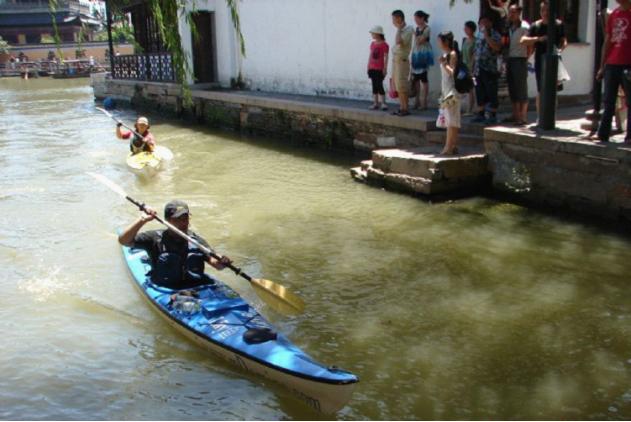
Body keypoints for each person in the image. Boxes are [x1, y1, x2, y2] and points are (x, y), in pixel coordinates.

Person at [118, 200, 232, 289]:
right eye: (178, 219)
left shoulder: (196, 241)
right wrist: (143, 220)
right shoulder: (154, 238)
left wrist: (223, 260)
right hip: (166, 289)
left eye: (185, 218)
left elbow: (216, 264)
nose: (183, 223)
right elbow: (124, 241)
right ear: (167, 220)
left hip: (196, 288)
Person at [521, 0, 568, 122]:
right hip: (540, 61)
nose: (545, 13)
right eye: (543, 10)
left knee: (554, 90)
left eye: (548, 10)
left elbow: (564, 40)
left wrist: (560, 50)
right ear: (540, 11)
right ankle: (540, 116)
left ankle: (551, 116)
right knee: (541, 90)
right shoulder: (536, 26)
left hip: (555, 61)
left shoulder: (558, 25)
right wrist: (538, 39)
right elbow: (523, 40)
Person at [594, 0, 631, 143]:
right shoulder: (615, 14)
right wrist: (602, 66)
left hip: (628, 64)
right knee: (609, 101)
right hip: (612, 63)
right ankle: (603, 134)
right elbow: (608, 40)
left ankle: (629, 137)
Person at [504, 5, 531, 126]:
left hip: (520, 59)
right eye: (510, 12)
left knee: (521, 89)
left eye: (514, 12)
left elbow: (530, 45)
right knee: (512, 88)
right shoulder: (508, 27)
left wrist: (526, 57)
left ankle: (523, 116)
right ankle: (515, 115)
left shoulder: (524, 27)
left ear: (519, 13)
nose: (511, 15)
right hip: (510, 59)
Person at [472, 15, 502, 124]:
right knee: (479, 91)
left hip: (490, 68)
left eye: (485, 22)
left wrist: (487, 36)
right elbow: (476, 50)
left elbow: (497, 48)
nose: (483, 25)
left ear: (490, 23)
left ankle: (492, 115)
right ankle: (480, 114)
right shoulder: (479, 35)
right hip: (478, 68)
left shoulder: (495, 34)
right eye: (481, 23)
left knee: (491, 91)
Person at [437, 31, 460, 155]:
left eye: (439, 40)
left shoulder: (452, 54)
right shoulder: (445, 54)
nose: (438, 43)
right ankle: (453, 145)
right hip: (446, 89)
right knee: (450, 119)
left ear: (445, 41)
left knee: (451, 119)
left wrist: (444, 63)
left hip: (452, 90)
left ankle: (448, 146)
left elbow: (452, 72)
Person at [391, 9, 415, 116]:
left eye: (394, 19)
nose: (393, 21)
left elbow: (399, 42)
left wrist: (399, 29)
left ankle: (405, 108)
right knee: (397, 85)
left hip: (402, 60)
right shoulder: (401, 30)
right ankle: (401, 107)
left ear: (399, 18)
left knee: (402, 85)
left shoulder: (408, 30)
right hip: (396, 60)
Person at [410, 10, 434, 110]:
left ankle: (424, 102)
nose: (415, 21)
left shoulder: (427, 29)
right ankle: (417, 101)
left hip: (423, 55)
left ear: (422, 18)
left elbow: (420, 41)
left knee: (424, 79)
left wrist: (415, 35)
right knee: (416, 79)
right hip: (416, 54)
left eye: (417, 18)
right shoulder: (417, 29)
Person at [367, 25, 390, 111]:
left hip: (379, 68)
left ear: (378, 34)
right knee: (374, 85)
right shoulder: (372, 44)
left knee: (379, 85)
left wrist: (385, 68)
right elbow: (370, 55)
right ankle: (375, 103)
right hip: (372, 67)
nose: (372, 35)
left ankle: (383, 103)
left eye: (373, 33)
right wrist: (368, 65)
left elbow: (386, 57)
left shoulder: (384, 45)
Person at [462, 21, 478, 115]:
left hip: (471, 68)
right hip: (464, 66)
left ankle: (471, 109)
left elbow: (474, 56)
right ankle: (469, 108)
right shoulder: (465, 40)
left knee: (471, 88)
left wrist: (471, 68)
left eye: (467, 28)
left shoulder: (475, 41)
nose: (465, 30)